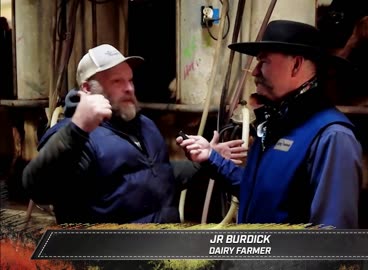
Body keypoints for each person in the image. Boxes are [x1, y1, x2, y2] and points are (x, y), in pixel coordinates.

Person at [22, 44, 246, 224]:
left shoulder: (144, 125)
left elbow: (153, 175)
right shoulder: (73, 136)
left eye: (129, 80)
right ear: (88, 89)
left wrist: (205, 161)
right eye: (117, 81)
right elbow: (38, 188)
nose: (129, 88)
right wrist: (77, 128)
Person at [177, 20, 363, 228]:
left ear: (296, 65)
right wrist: (211, 158)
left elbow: (333, 236)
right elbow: (260, 191)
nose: (255, 72)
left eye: (263, 62)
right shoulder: (276, 122)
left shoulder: (333, 137)